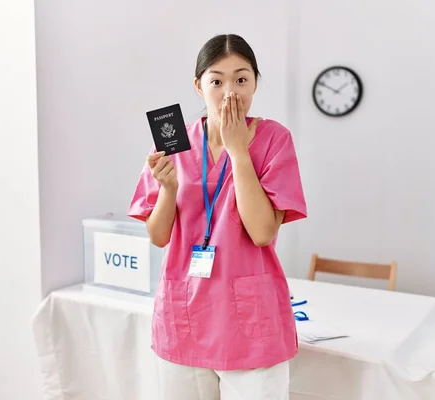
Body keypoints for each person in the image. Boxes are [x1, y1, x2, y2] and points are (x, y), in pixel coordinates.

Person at [127, 34, 307, 400]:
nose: (230, 92)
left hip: (251, 324)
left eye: (241, 79)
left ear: (256, 82)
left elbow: (261, 232)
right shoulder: (173, 138)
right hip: (185, 314)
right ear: (198, 86)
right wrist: (168, 189)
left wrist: (239, 152)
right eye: (217, 80)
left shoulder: (273, 139)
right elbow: (158, 236)